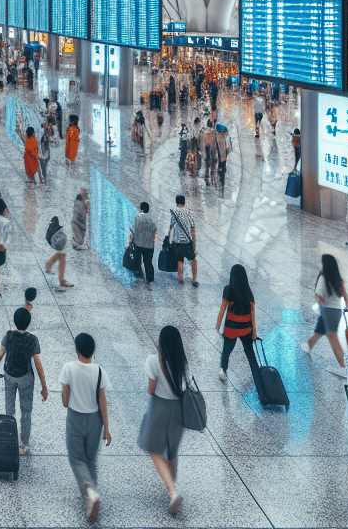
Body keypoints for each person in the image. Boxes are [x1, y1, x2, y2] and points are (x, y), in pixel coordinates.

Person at [59, 333, 112, 524]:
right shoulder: (100, 372)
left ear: (77, 349)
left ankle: (90, 491)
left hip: (75, 417)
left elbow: (65, 402)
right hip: (95, 421)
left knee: (76, 457)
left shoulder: (69, 368)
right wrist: (106, 428)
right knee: (91, 458)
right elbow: (103, 401)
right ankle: (92, 495)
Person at [138, 325, 189, 515]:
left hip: (159, 408)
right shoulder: (182, 362)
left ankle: (174, 492)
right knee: (172, 452)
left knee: (155, 451)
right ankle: (172, 490)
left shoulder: (153, 360)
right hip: (179, 411)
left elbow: (152, 389)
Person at [0, 307, 48, 456]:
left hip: (9, 375)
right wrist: (44, 387)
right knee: (26, 411)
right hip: (26, 378)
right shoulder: (32, 339)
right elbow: (37, 365)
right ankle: (23, 445)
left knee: (9, 409)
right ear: (28, 323)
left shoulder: (9, 335)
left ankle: (11, 439)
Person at [301, 253, 348, 377]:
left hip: (328, 310)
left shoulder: (324, 277)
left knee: (332, 337)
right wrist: (347, 306)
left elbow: (319, 295)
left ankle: (343, 368)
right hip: (337, 310)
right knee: (320, 330)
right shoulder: (338, 278)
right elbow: (345, 295)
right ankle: (308, 346)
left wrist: (320, 301)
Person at [215, 264, 261, 384]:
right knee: (250, 353)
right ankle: (257, 376)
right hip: (246, 328)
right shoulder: (248, 292)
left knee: (227, 350)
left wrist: (218, 325)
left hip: (231, 328)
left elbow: (222, 309)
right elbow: (253, 315)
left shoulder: (228, 290)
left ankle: (223, 371)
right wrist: (254, 332)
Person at [168, 195, 198, 286]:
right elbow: (192, 228)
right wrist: (194, 243)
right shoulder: (189, 212)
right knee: (193, 259)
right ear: (184, 202)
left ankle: (180, 278)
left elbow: (171, 227)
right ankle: (195, 279)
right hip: (187, 241)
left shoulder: (174, 212)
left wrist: (170, 240)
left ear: (176, 202)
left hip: (177, 242)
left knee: (179, 259)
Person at [131, 201, 157, 290]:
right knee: (148, 262)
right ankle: (149, 279)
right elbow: (155, 230)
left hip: (139, 243)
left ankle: (139, 275)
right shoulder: (151, 219)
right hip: (149, 245)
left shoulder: (137, 217)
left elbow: (133, 229)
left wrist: (131, 240)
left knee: (138, 259)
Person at [44, 217, 73, 289]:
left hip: (52, 238)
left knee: (61, 255)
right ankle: (56, 284)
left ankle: (60, 281)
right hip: (51, 240)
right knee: (59, 256)